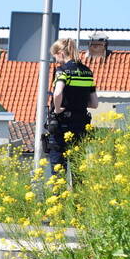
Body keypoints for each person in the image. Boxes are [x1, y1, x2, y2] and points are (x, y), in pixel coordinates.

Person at [44, 38, 98, 178]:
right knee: (78, 168)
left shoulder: (63, 71)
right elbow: (94, 104)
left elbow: (58, 93)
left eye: (55, 56)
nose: (56, 61)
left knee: (58, 172)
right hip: (80, 124)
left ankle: (59, 199)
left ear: (61, 53)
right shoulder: (87, 72)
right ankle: (79, 198)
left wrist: (57, 109)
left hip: (62, 126)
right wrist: (77, 104)